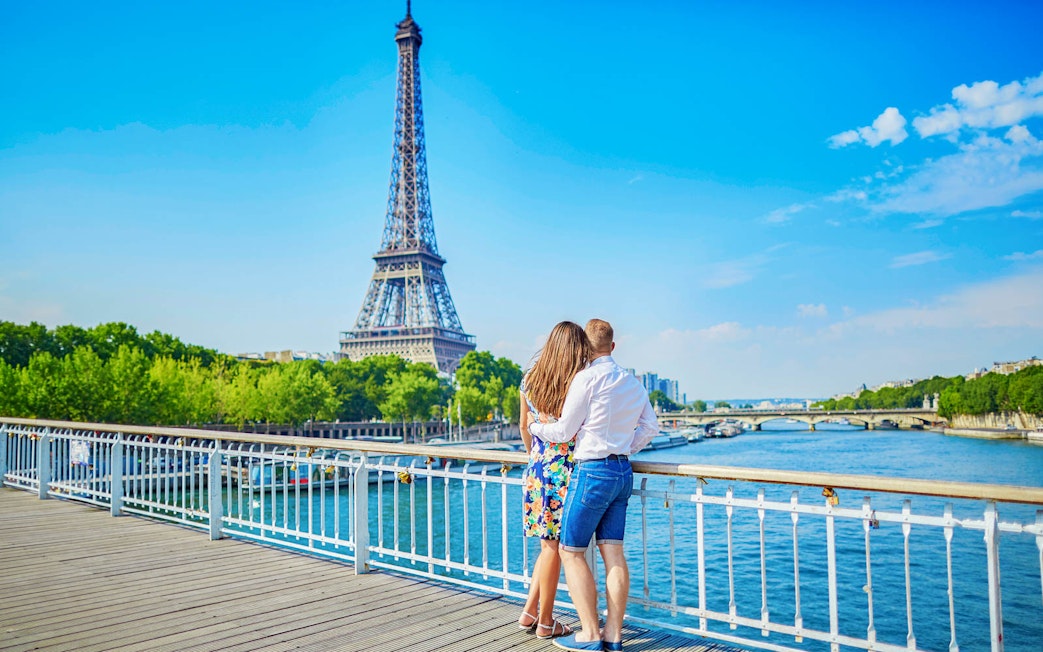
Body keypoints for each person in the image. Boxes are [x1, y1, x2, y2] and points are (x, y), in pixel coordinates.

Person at [527, 319, 658, 652]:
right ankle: (614, 634)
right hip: (622, 472)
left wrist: (536, 427)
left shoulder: (585, 379)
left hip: (593, 472)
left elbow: (564, 432)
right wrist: (625, 445)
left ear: (585, 347)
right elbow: (650, 428)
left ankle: (588, 632)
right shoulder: (633, 382)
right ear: (613, 347)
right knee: (613, 552)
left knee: (571, 551)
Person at [516, 321, 593, 640]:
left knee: (546, 546)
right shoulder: (577, 383)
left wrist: (537, 456)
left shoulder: (529, 380)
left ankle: (530, 612)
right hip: (566, 471)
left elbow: (523, 426)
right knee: (554, 548)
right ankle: (546, 623)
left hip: (537, 468)